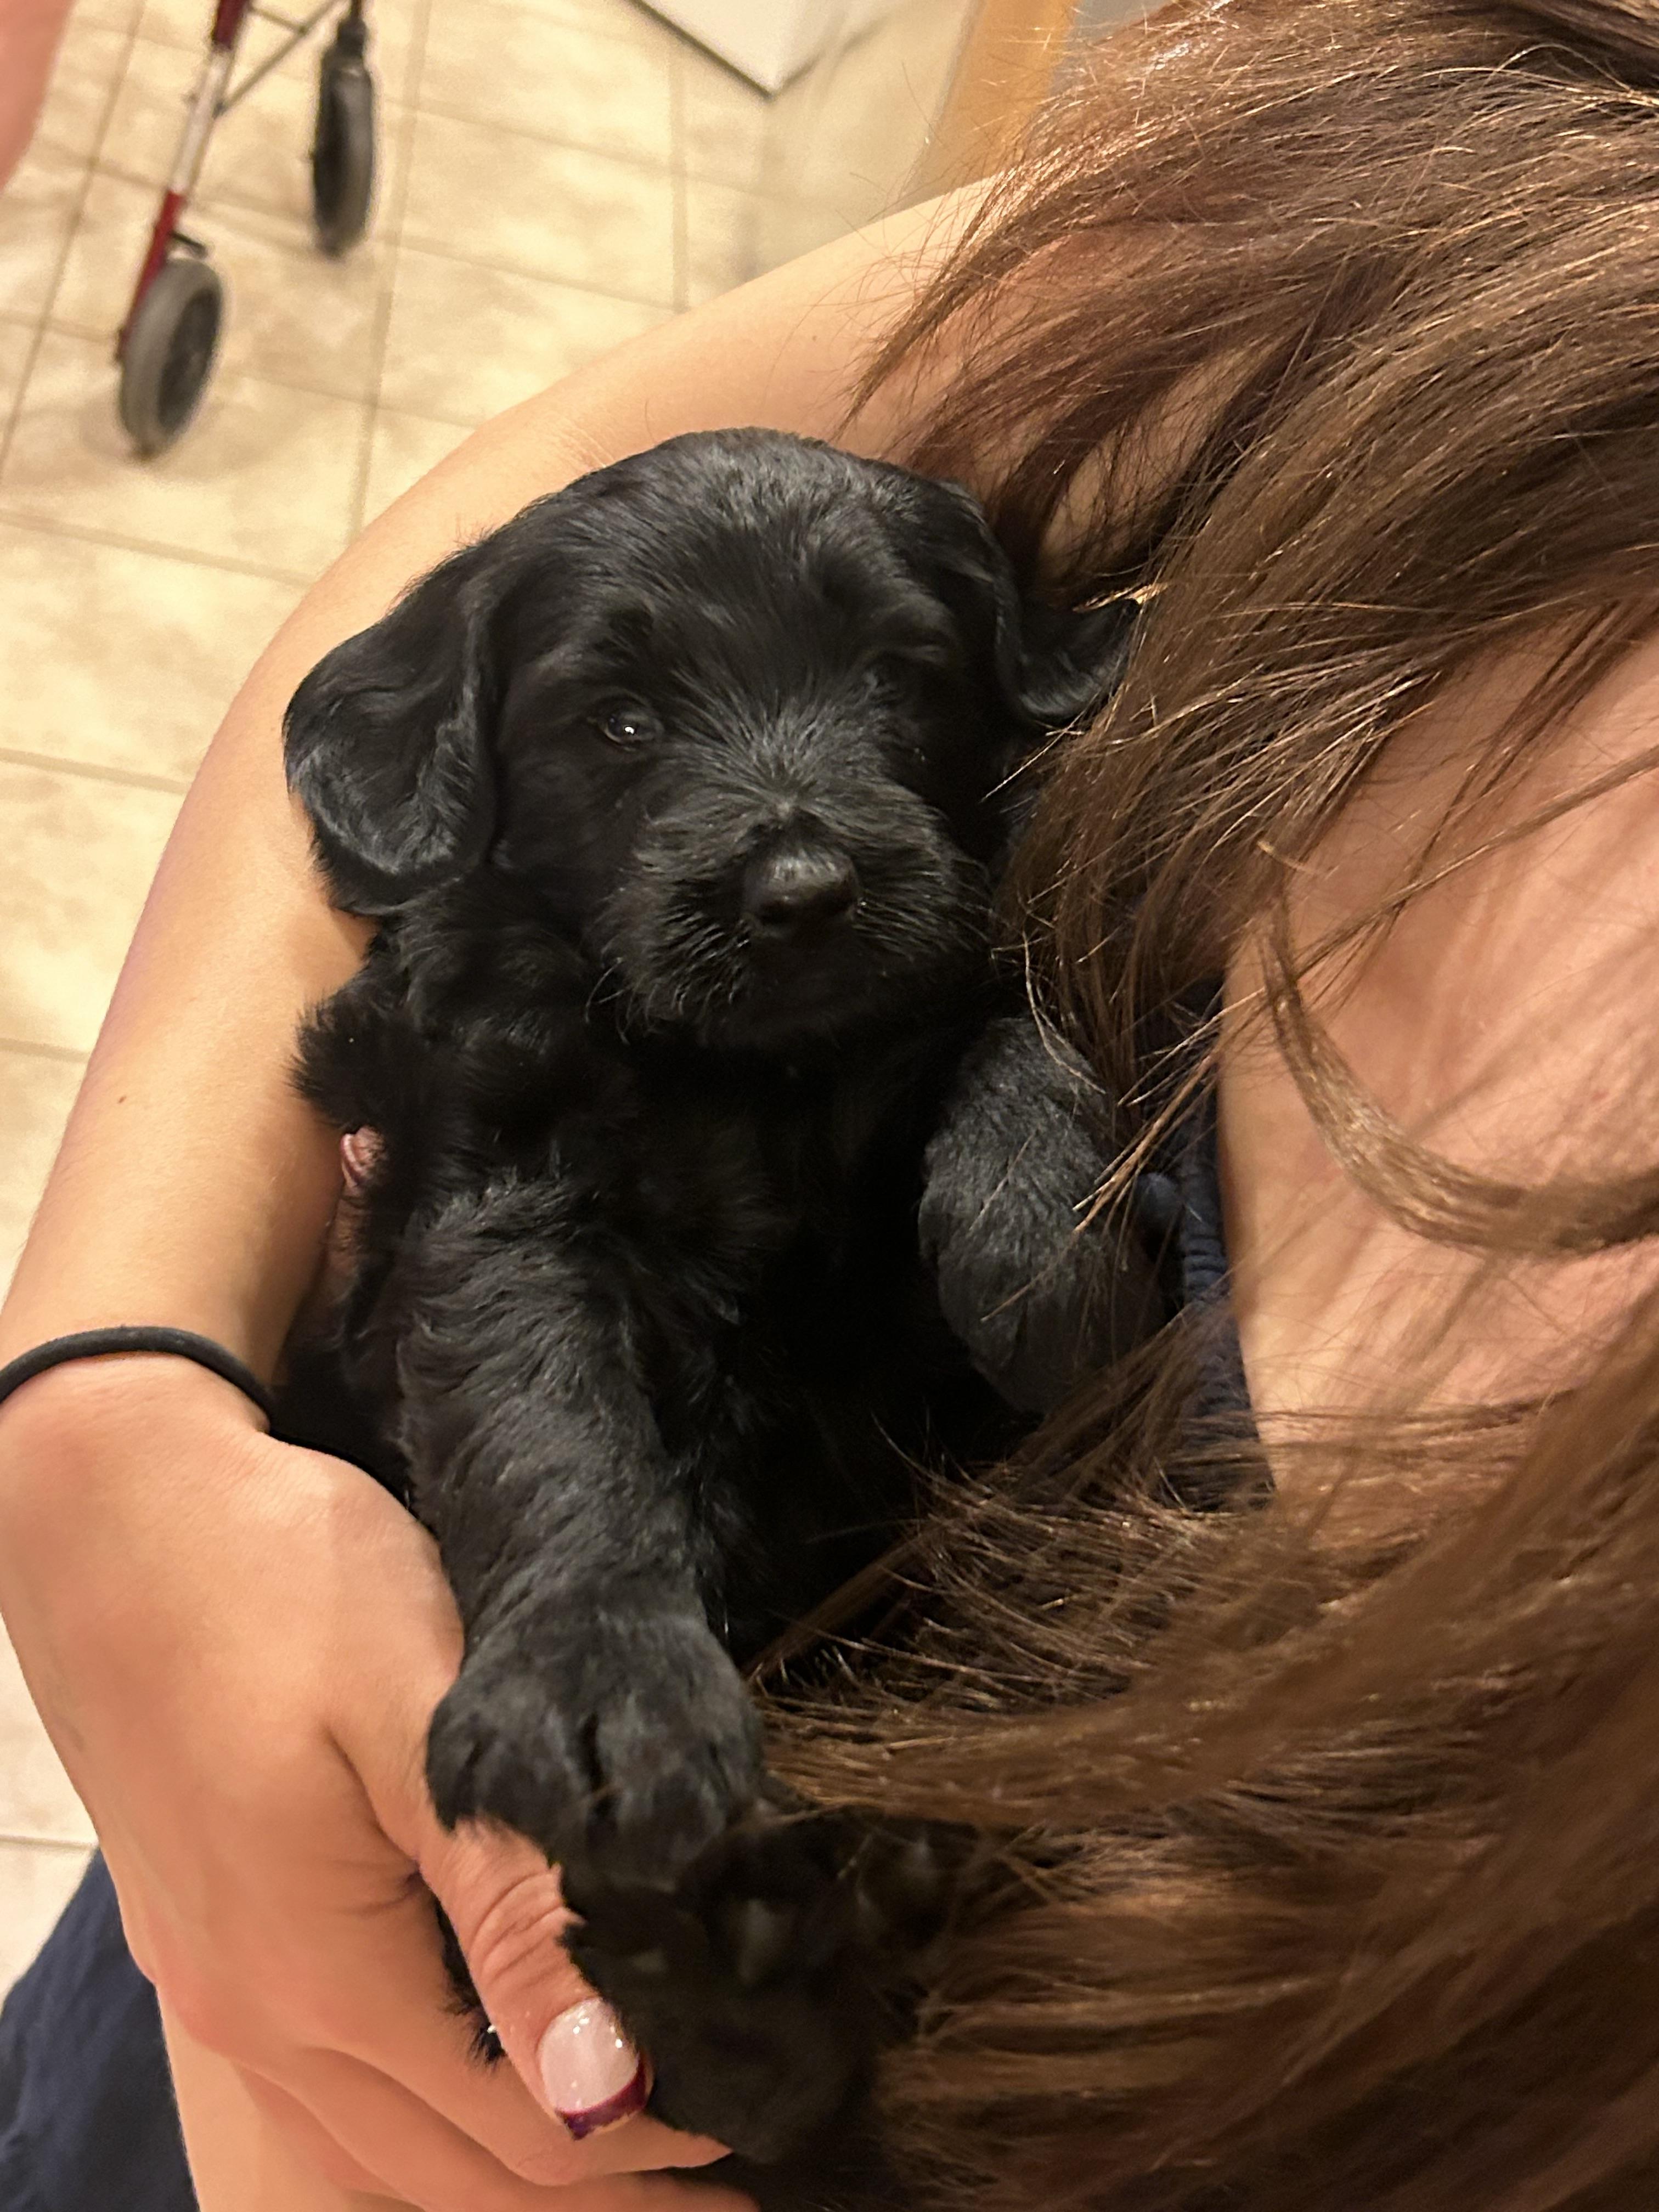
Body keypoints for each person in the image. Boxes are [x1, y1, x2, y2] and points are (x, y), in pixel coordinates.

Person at [6, 0, 1659, 2205]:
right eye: (627, 726)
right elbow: (525, 525)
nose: (792, 850)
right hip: (310, 1890)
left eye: (891, 684)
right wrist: (114, 1393)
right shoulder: (1507, 178)